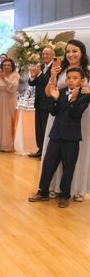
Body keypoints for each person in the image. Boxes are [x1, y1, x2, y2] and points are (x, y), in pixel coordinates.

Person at [29, 67, 90, 208]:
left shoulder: (85, 95)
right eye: (69, 78)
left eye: (75, 78)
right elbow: (54, 112)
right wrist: (55, 99)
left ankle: (65, 195)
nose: (71, 81)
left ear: (81, 81)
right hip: (56, 134)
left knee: (68, 167)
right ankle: (42, 192)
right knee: (48, 165)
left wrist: (74, 100)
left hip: (71, 137)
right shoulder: (61, 92)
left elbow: (76, 115)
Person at [40, 40, 90, 201]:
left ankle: (75, 189)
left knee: (75, 155)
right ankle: (52, 187)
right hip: (59, 115)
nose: (71, 54)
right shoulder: (60, 71)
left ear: (82, 52)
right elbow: (49, 92)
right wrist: (53, 76)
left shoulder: (88, 71)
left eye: (74, 51)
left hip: (81, 117)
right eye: (68, 51)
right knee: (52, 156)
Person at [28, 47, 55, 157]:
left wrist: (39, 74)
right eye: (43, 54)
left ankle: (46, 152)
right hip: (38, 101)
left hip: (48, 102)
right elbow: (32, 84)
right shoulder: (42, 66)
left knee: (45, 127)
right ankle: (40, 149)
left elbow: (49, 81)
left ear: (53, 55)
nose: (44, 56)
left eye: (47, 54)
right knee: (38, 128)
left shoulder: (55, 67)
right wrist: (33, 77)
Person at [0, 58, 20, 151]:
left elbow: (13, 88)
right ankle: (0, 145)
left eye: (8, 65)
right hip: (0, 100)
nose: (6, 67)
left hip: (10, 100)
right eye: (4, 65)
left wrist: (5, 79)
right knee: (0, 121)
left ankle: (9, 146)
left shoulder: (15, 75)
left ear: (12, 67)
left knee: (9, 122)